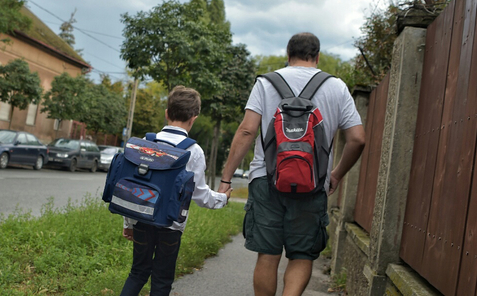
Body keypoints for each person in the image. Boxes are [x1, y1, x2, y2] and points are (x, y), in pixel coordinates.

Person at [218, 32, 365, 296]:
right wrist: (336, 175)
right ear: (317, 57)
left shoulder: (265, 83)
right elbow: (357, 139)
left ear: (288, 56)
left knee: (268, 253)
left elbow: (246, 131)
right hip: (313, 183)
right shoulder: (337, 87)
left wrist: (227, 179)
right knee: (302, 255)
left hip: (266, 180)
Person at [120, 85, 232, 296]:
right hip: (171, 227)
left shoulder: (146, 142)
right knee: (162, 281)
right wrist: (222, 199)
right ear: (194, 118)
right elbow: (200, 195)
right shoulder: (193, 150)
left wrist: (129, 223)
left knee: (137, 273)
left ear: (166, 113)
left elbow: (135, 186)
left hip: (143, 219)